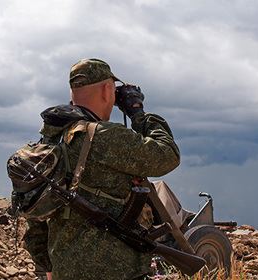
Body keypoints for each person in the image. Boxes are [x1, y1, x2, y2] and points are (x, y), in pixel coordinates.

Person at [23, 58, 180, 280]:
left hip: (63, 269)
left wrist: (46, 266)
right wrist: (138, 114)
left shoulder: (49, 141)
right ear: (107, 90)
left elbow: (35, 211)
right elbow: (168, 156)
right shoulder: (104, 137)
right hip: (116, 270)